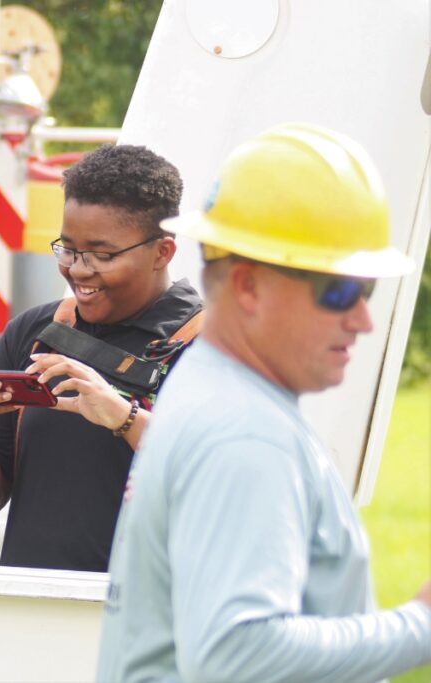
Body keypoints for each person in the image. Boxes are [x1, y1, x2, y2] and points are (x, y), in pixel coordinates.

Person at [97, 123, 431, 682]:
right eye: (340, 291)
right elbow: (236, 655)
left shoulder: (211, 385)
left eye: (366, 290)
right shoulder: (243, 431)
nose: (363, 318)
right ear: (249, 286)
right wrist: (420, 625)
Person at [0, 144, 203, 572]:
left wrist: (123, 416)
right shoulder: (36, 334)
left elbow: (221, 483)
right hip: (31, 614)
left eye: (103, 255)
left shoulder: (206, 351)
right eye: (68, 249)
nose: (79, 270)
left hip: (140, 626)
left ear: (163, 252)